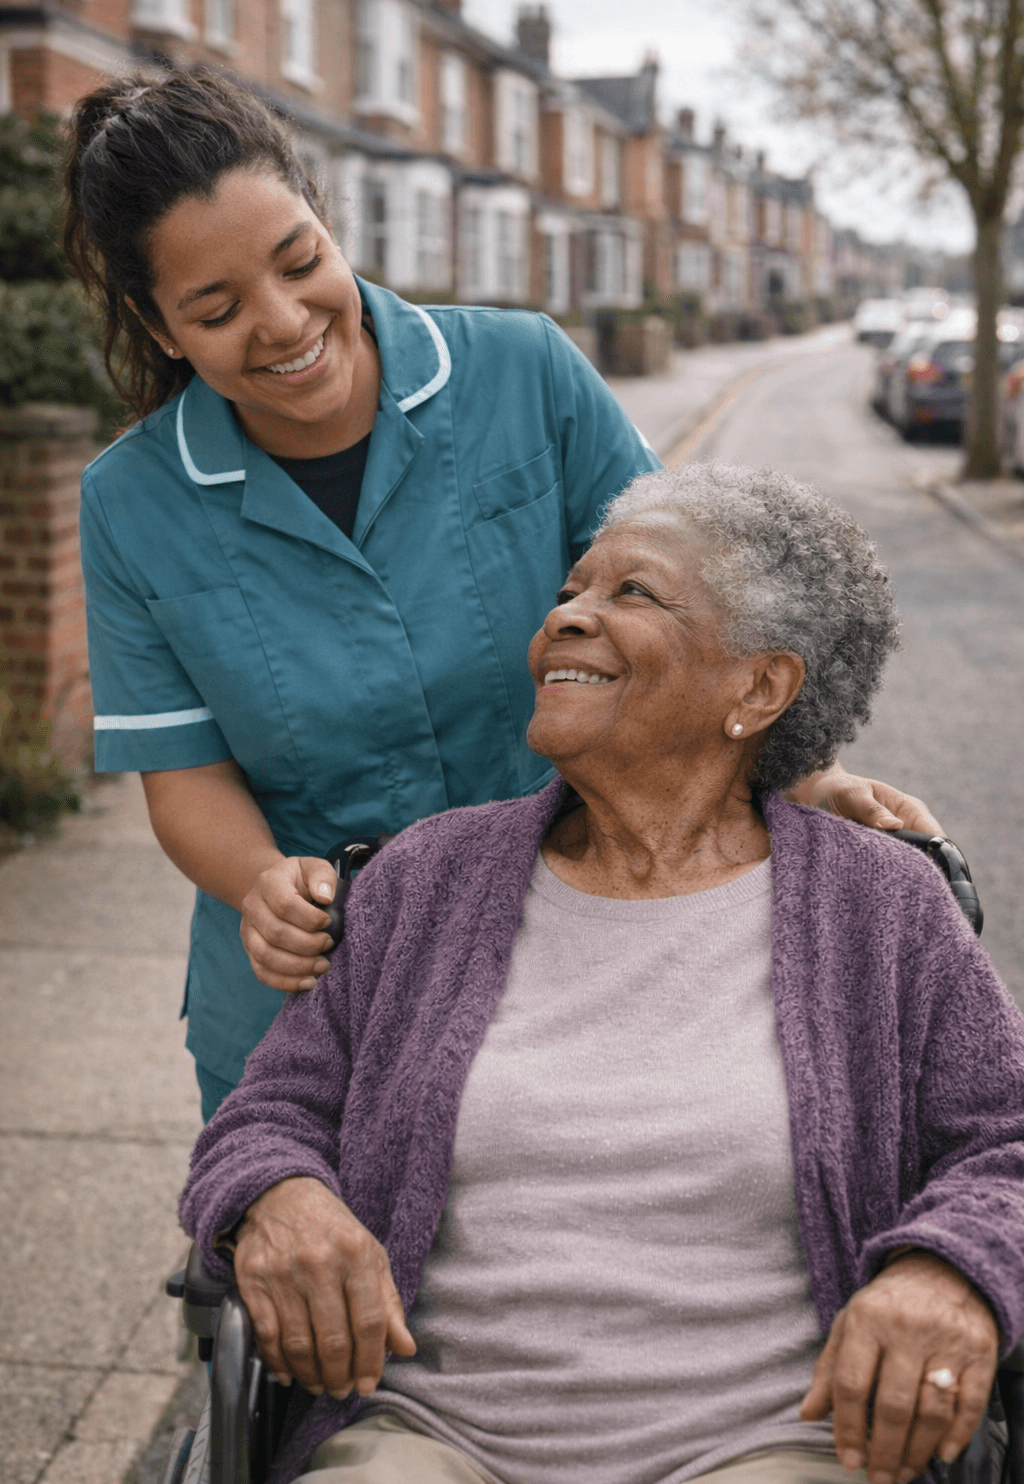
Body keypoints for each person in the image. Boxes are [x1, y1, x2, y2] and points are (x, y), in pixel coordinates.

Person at [66, 69, 942, 1125]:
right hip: (310, 1011)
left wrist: (807, 775)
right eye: (216, 310)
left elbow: (690, 608)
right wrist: (260, 882)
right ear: (159, 329)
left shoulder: (527, 373)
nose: (285, 320)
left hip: (581, 948)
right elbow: (181, 772)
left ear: (326, 222)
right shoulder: (130, 503)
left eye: (300, 262)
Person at [180, 465, 1024, 1484]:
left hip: (775, 1442)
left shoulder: (880, 906)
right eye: (571, 591)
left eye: (632, 594)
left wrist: (951, 1269)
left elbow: (1003, 1145)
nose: (570, 617)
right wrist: (276, 1198)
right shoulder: (426, 877)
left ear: (755, 688)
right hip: (428, 1437)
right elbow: (269, 1112)